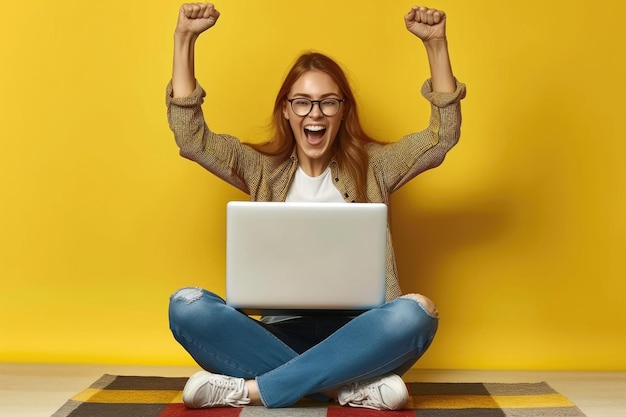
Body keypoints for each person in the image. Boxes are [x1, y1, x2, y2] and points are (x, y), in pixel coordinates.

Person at [166, 2, 466, 411]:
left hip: (361, 335)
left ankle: (251, 390)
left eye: (328, 102)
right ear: (287, 111)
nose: (315, 112)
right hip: (276, 335)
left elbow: (441, 136)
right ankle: (348, 388)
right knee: (186, 306)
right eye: (303, 102)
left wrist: (436, 45)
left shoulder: (374, 167)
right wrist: (184, 38)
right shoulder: (261, 169)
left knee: (416, 313)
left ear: (342, 111)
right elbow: (191, 139)